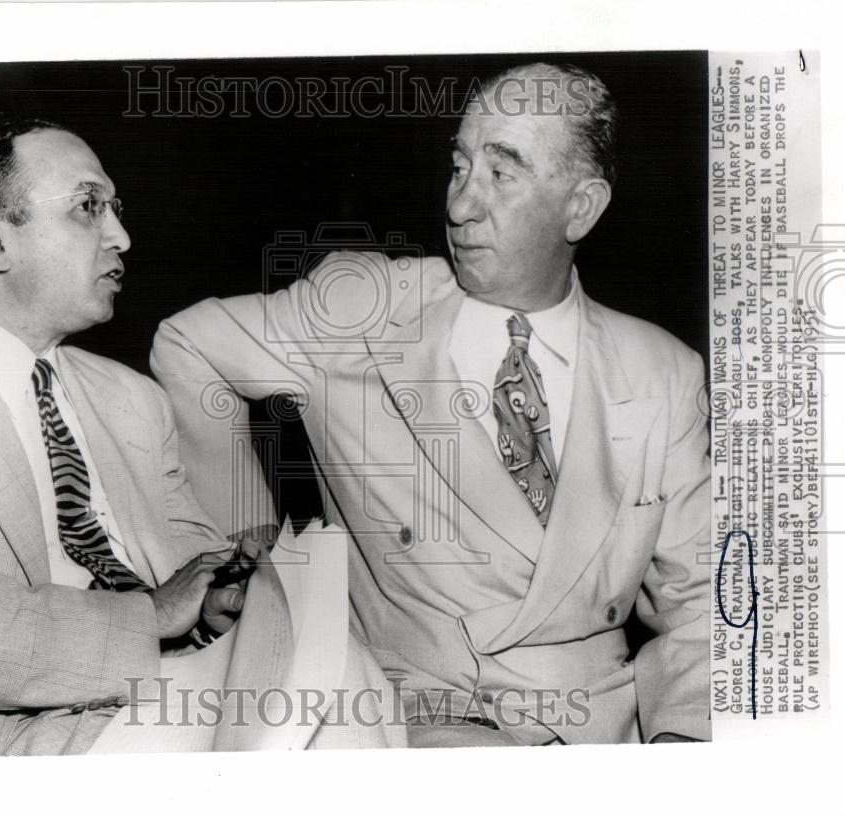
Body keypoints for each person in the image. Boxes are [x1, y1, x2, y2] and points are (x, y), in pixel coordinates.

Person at [151, 63, 711, 746]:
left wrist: (685, 751)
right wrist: (251, 558)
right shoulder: (363, 311)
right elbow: (189, 344)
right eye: (459, 165)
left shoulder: (664, 373)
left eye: (501, 174)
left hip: (599, 738)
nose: (460, 205)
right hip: (411, 725)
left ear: (582, 206)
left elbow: (701, 609)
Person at [0, 120, 258, 758]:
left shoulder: (135, 399)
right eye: (88, 208)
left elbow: (190, 558)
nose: (122, 237)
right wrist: (152, 617)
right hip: (11, 740)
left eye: (115, 210)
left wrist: (218, 601)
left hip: (175, 699)